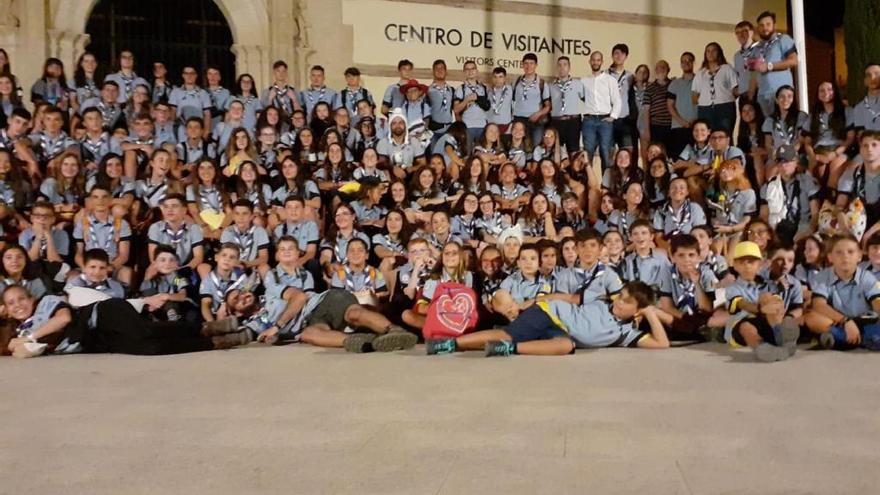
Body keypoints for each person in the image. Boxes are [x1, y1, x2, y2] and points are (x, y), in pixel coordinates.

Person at [3, 285, 250, 358]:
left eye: (21, 299)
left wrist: (30, 338)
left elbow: (64, 318)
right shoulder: (22, 330)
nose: (18, 305)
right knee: (151, 349)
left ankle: (208, 327)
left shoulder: (45, 303)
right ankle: (217, 342)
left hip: (103, 314)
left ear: (31, 298)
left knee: (146, 331)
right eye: (11, 303)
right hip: (99, 341)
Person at [427, 281, 668, 356]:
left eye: (627, 302)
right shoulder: (602, 299)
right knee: (505, 332)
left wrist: (650, 313)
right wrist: (533, 303)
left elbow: (661, 344)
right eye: (621, 295)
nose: (619, 301)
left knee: (566, 346)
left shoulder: (626, 334)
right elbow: (567, 297)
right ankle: (448, 344)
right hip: (549, 312)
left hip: (561, 333)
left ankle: (508, 349)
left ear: (637, 310)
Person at [722, 241, 801, 361]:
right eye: (742, 262)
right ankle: (762, 348)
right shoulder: (732, 288)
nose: (747, 266)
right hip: (739, 326)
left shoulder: (768, 283)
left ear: (759, 264)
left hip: (765, 323)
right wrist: (759, 308)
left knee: (768, 297)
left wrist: (772, 306)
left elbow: (776, 301)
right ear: (735, 265)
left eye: (751, 262)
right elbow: (742, 304)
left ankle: (781, 335)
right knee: (747, 328)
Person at [803, 235, 880, 350]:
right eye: (839, 252)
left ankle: (841, 340)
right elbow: (819, 305)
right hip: (838, 321)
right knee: (811, 317)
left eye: (850, 252)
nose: (845, 257)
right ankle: (857, 339)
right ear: (830, 257)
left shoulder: (867, 277)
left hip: (865, 321)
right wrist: (845, 321)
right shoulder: (822, 277)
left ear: (859, 256)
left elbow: (876, 302)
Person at [655, 234, 717, 339]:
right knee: (655, 311)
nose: (686, 260)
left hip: (702, 318)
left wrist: (697, 283)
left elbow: (707, 308)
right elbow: (667, 306)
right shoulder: (667, 272)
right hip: (680, 316)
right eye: (681, 255)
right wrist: (686, 317)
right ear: (672, 257)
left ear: (698, 257)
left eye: (691, 255)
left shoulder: (706, 273)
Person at [759, 144, 819, 242]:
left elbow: (815, 213)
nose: (783, 165)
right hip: (777, 227)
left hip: (802, 225)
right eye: (780, 162)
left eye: (787, 161)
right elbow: (764, 216)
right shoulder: (768, 187)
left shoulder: (808, 182)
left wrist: (808, 232)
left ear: (796, 162)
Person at [749, 11, 799, 118]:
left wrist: (769, 66)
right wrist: (751, 95)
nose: (764, 28)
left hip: (781, 94)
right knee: (767, 128)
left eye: (768, 24)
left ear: (774, 25)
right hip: (762, 95)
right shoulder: (757, 47)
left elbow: (793, 61)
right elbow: (754, 72)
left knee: (783, 125)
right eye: (761, 25)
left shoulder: (783, 39)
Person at [692, 42, 739, 134]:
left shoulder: (727, 69)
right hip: (705, 109)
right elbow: (694, 95)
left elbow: (735, 90)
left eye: (714, 51)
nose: (711, 53)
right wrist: (704, 101)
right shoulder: (701, 73)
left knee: (725, 134)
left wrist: (724, 98)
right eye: (708, 51)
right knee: (707, 135)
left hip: (724, 107)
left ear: (719, 53)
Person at [512, 53, 550, 147]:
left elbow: (548, 106)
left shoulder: (542, 83)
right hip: (519, 119)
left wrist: (538, 114)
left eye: (531, 63)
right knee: (518, 147)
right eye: (526, 63)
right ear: (522, 65)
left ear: (536, 65)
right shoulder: (516, 82)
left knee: (536, 147)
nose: (528, 66)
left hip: (535, 121)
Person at [219, 199, 270, 270]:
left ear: (252, 216)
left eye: (245, 213)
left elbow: (264, 257)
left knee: (264, 268)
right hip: (232, 268)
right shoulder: (227, 232)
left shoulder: (260, 231)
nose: (241, 217)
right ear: (233, 216)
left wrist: (246, 264)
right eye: (237, 213)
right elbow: (225, 255)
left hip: (252, 266)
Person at [548, 56, 585, 153]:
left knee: (573, 152)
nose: (562, 67)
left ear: (569, 67)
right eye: (559, 65)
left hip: (573, 122)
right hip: (557, 122)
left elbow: (587, 100)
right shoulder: (550, 86)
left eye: (565, 65)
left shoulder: (578, 84)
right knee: (556, 151)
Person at [667, 52, 698, 159]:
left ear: (693, 63)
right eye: (683, 61)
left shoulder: (700, 80)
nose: (686, 63)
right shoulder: (674, 84)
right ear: (680, 64)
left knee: (695, 159)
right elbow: (670, 106)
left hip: (696, 127)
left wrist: (695, 121)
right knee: (679, 159)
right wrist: (682, 122)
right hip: (678, 127)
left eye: (689, 60)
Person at [607, 44, 635, 154]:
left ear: (626, 56)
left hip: (625, 120)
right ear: (612, 56)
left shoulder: (630, 76)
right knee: (609, 153)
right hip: (609, 120)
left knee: (628, 153)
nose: (619, 56)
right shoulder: (604, 75)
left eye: (622, 54)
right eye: (616, 53)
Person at [733, 20, 756, 104]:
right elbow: (738, 76)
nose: (740, 35)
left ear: (751, 32)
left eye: (744, 31)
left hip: (758, 94)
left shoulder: (760, 50)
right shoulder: (737, 56)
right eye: (737, 32)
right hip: (743, 96)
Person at [486, 67, 513, 132]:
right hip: (491, 125)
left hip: (505, 125)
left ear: (505, 78)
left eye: (500, 77)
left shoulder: (510, 89)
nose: (497, 79)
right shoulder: (487, 90)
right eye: (495, 77)